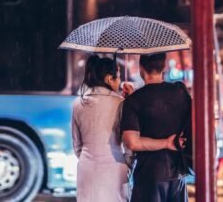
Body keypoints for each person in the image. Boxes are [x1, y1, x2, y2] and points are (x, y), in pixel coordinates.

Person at [71, 55, 182, 202]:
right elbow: (129, 145)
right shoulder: (121, 103)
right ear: (109, 79)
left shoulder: (78, 103)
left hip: (86, 168)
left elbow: (77, 144)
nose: (119, 81)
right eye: (117, 77)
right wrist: (128, 164)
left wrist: (89, 159)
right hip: (114, 169)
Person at [121, 53, 193, 202]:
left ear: (141, 68)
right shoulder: (180, 92)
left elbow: (132, 142)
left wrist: (166, 143)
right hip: (178, 173)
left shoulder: (134, 101)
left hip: (149, 174)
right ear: (164, 67)